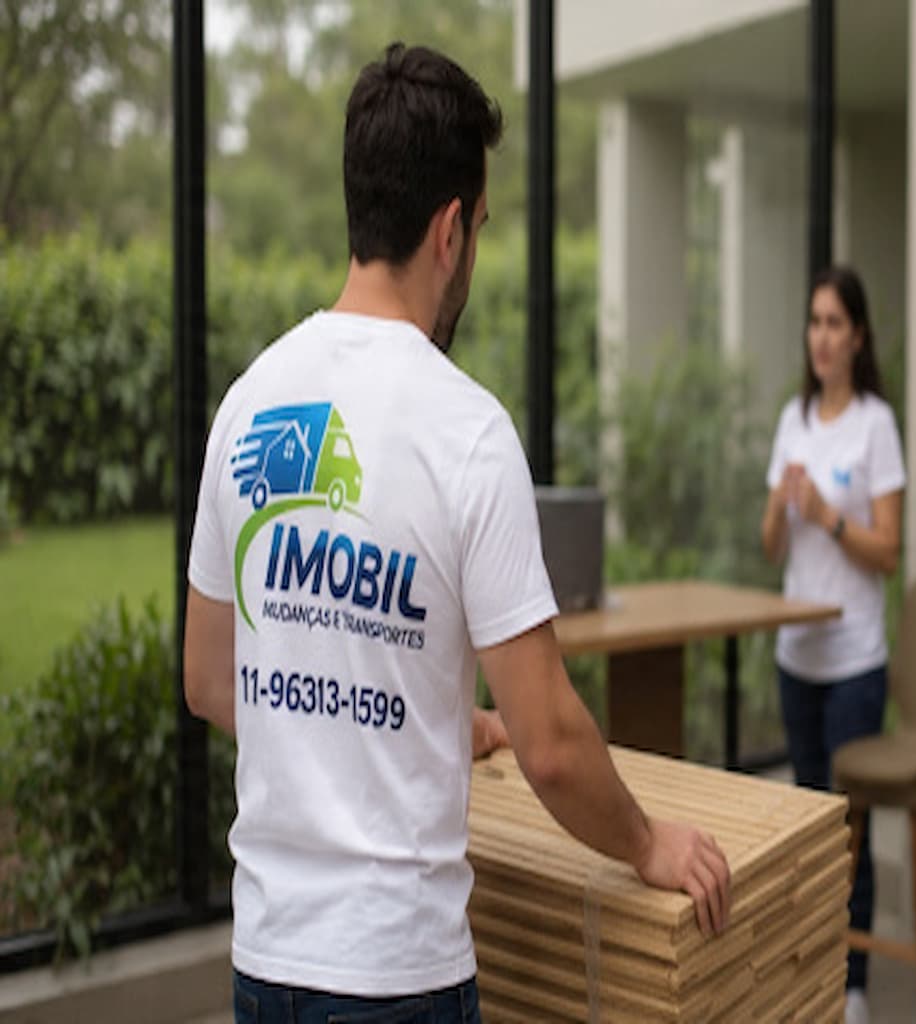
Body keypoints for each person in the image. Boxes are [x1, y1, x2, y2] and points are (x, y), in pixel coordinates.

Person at [183, 43, 730, 1022]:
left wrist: (428, 721)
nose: (474, 247)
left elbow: (210, 679)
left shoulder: (248, 402)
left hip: (265, 965)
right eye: (479, 225)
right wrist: (651, 843)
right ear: (449, 230)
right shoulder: (466, 432)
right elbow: (549, 742)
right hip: (398, 978)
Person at [761, 265, 904, 1024]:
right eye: (813, 322)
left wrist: (826, 515)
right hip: (798, 659)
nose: (821, 337)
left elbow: (888, 551)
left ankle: (853, 992)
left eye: (834, 323)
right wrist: (783, 509)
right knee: (807, 830)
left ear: (858, 337)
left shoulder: (876, 425)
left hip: (853, 663)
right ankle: (811, 979)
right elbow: (769, 545)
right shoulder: (794, 418)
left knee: (849, 829)